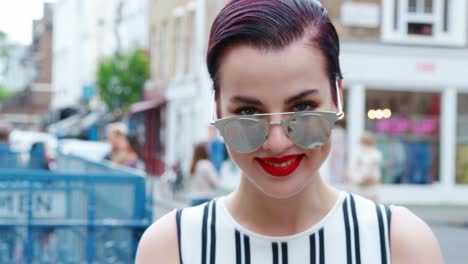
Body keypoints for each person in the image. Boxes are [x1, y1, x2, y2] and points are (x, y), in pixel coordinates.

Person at [136, 1, 443, 263]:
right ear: (216, 108)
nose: (278, 142)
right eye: (247, 112)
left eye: (303, 108)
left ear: (337, 95)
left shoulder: (399, 245)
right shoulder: (171, 248)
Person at [347, 131, 382, 202]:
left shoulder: (375, 154)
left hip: (369, 185)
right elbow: (354, 168)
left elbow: (371, 170)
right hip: (359, 185)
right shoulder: (360, 153)